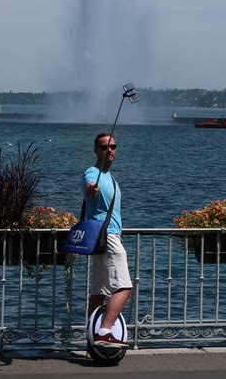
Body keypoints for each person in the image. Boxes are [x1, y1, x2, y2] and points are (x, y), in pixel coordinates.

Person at [83, 131, 133, 349]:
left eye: (113, 146)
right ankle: (104, 331)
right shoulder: (92, 173)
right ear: (96, 150)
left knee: (99, 291)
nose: (109, 150)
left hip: (99, 239)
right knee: (124, 287)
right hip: (107, 236)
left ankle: (91, 337)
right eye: (104, 147)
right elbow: (90, 188)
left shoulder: (111, 178)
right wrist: (91, 190)